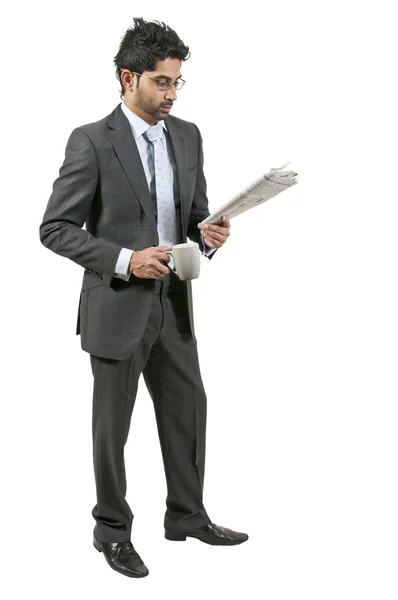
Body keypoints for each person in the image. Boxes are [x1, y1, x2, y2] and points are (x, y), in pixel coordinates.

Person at [39, 17, 248, 579]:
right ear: (127, 78)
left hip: (174, 303)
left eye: (179, 83)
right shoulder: (91, 140)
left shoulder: (187, 136)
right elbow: (55, 228)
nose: (172, 95)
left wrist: (210, 235)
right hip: (115, 306)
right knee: (113, 428)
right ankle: (110, 531)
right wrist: (125, 260)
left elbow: (194, 216)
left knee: (188, 411)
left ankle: (186, 515)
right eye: (162, 82)